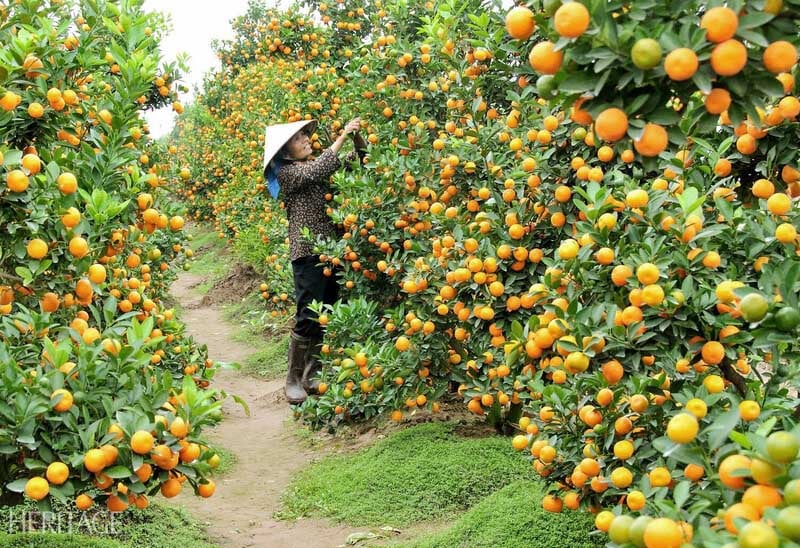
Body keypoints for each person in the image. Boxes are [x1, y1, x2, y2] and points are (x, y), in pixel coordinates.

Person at [262, 117, 365, 404]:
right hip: (307, 253)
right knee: (308, 315)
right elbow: (320, 168)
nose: (307, 139)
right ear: (285, 152)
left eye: (306, 135)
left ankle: (311, 375)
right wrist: (343, 135)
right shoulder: (288, 174)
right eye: (299, 138)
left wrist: (356, 139)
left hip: (331, 251)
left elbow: (356, 160)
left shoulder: (315, 165)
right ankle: (293, 379)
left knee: (326, 312)